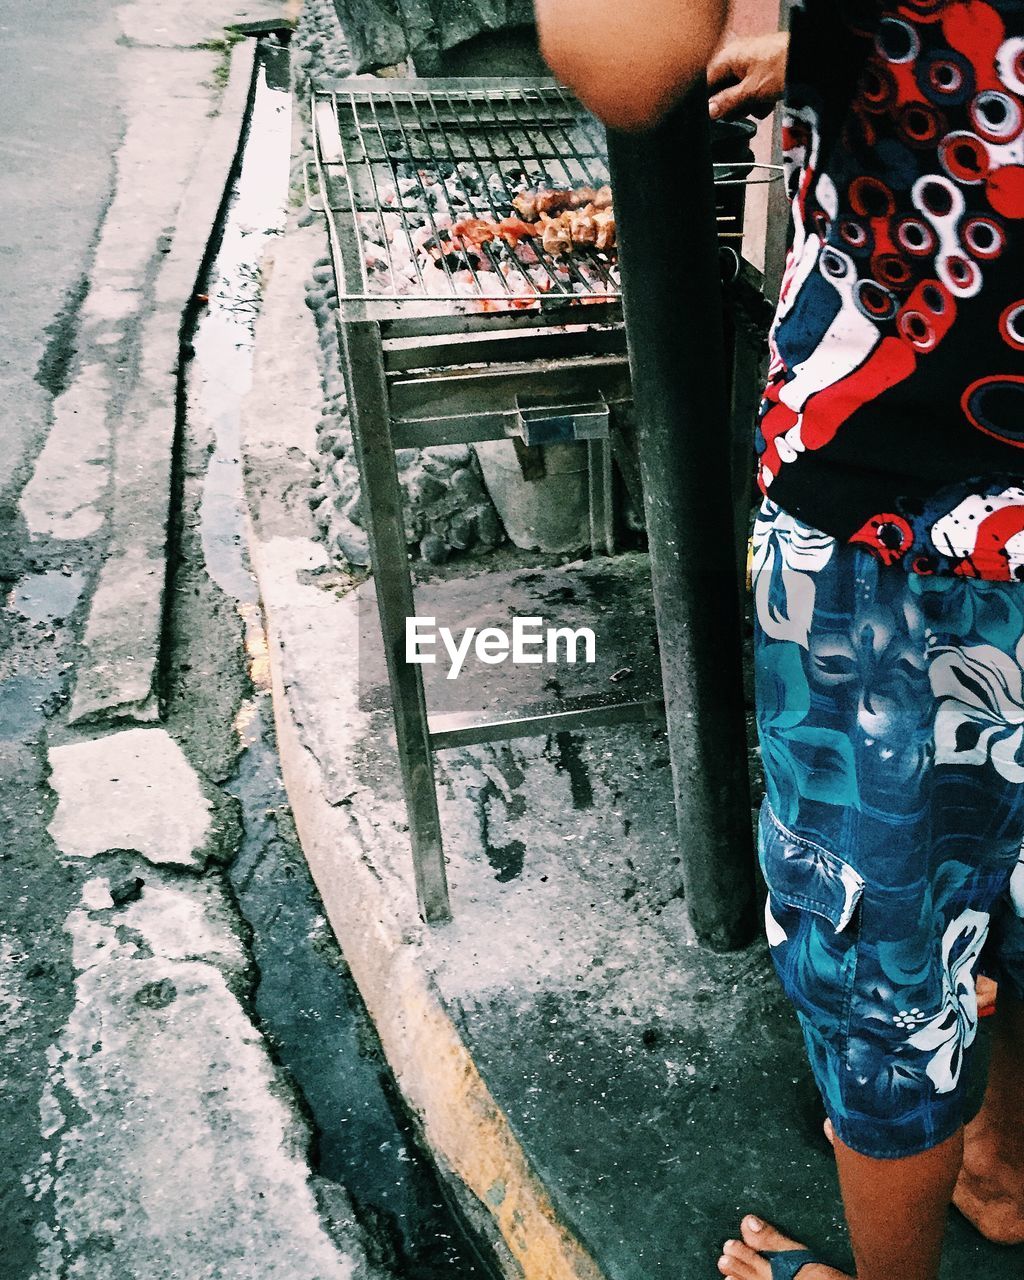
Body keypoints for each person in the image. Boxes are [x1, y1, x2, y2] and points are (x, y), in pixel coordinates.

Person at [531, 2, 1024, 1278]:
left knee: (881, 955)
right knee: (1009, 873)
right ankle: (1004, 1158)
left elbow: (625, 62)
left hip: (902, 498)